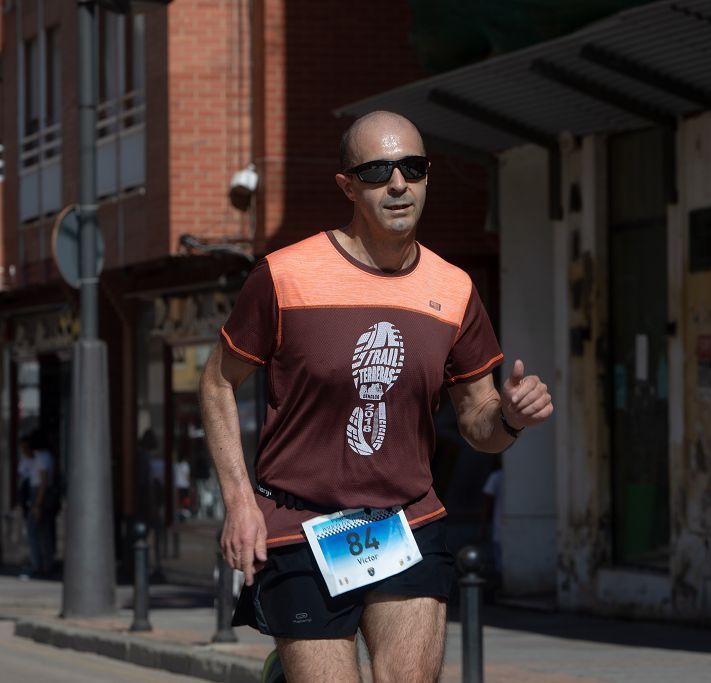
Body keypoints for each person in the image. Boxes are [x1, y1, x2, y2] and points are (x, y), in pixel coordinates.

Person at [199, 110, 553, 682]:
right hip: (299, 522)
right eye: (377, 171)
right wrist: (240, 503)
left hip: (404, 522)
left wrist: (509, 417)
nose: (397, 183)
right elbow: (216, 381)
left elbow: (479, 425)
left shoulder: (453, 288)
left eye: (412, 168)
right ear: (347, 186)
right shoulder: (285, 277)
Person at [17, 433, 56, 578]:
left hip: (40, 496)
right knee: (38, 530)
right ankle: (40, 564)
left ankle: (42, 565)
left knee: (39, 531)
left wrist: (38, 504)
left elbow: (44, 482)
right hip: (36, 495)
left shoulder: (43, 457)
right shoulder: (36, 458)